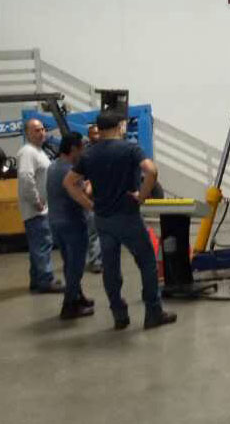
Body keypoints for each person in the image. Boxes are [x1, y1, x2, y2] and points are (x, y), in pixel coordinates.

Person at [63, 111, 176, 330]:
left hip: (103, 219)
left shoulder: (89, 154)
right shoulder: (130, 149)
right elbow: (151, 171)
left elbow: (69, 182)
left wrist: (90, 205)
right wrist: (141, 196)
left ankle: (119, 315)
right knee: (147, 263)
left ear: (100, 129)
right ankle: (153, 312)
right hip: (128, 217)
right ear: (120, 126)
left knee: (111, 268)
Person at [46, 132, 94, 319]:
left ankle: (77, 296)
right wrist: (91, 184)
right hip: (72, 223)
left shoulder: (53, 166)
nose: (83, 152)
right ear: (73, 149)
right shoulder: (70, 171)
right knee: (76, 266)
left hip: (56, 222)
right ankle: (69, 306)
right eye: (82, 148)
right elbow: (82, 194)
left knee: (69, 263)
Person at [17, 119, 63, 293]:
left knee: (38, 245)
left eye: (43, 129)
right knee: (43, 244)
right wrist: (36, 201)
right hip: (36, 209)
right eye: (36, 130)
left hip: (41, 208)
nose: (41, 132)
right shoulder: (28, 152)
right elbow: (25, 178)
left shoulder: (38, 151)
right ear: (27, 133)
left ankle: (37, 280)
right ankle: (45, 281)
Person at [84, 123, 102, 273]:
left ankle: (100, 259)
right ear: (89, 136)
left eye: (98, 133)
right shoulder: (86, 154)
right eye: (93, 133)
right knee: (94, 232)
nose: (96, 136)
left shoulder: (105, 150)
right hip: (91, 199)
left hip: (105, 199)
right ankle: (95, 261)